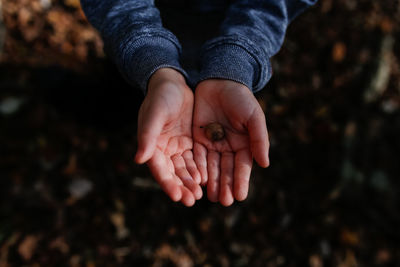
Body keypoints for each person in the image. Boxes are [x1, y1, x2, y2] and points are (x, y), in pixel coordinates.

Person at [80, 0, 317, 206]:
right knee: (128, 89)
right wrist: (152, 62)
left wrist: (235, 64)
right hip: (144, 23)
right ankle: (113, 112)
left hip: (227, 25)